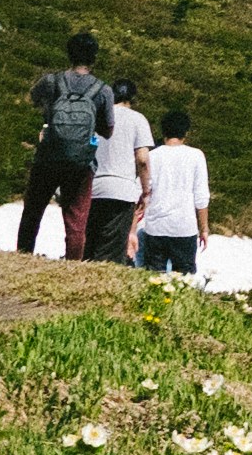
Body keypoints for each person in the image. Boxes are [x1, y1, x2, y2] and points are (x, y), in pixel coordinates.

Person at [17, 32, 113, 259]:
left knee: (33, 211)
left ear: (69, 54)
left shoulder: (51, 81)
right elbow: (108, 130)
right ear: (94, 58)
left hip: (48, 156)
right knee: (76, 219)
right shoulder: (103, 90)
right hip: (81, 162)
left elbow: (31, 99)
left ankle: (22, 256)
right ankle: (72, 264)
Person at [85, 75, 153, 263]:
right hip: (122, 191)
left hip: (93, 187)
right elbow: (142, 160)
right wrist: (146, 191)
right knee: (111, 251)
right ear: (132, 98)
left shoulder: (97, 116)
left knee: (90, 243)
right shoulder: (138, 119)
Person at [135, 107, 211, 274]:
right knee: (183, 281)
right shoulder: (196, 155)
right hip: (184, 227)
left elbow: (140, 193)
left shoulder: (152, 156)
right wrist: (204, 228)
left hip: (155, 228)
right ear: (186, 132)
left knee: (154, 279)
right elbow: (201, 196)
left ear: (164, 132)